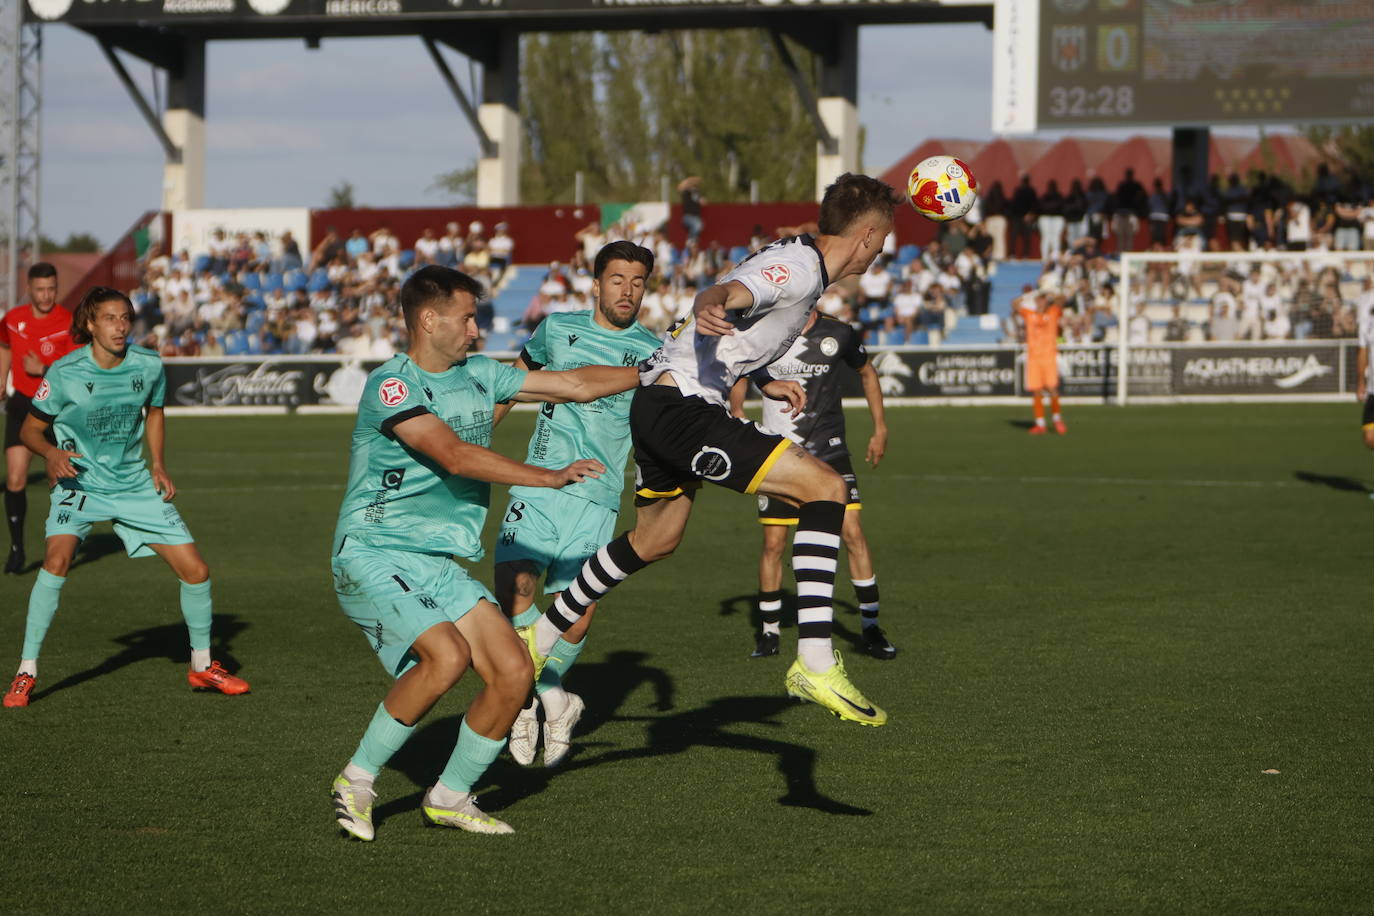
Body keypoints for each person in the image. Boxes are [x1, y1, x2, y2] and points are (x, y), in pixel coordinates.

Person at [520, 173, 898, 728]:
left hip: (662, 402)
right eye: (884, 238)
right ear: (866, 235)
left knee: (656, 538)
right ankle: (814, 662)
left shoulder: (801, 262)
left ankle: (539, 635)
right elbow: (729, 294)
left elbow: (743, 319)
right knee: (827, 487)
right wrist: (709, 302)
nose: (883, 250)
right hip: (684, 411)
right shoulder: (798, 268)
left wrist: (763, 377)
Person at [327, 265, 639, 840]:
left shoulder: (480, 373)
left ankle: (449, 795)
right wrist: (546, 478)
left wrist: (650, 368)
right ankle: (357, 779)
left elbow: (575, 384)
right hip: (375, 550)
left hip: (438, 563)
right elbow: (452, 455)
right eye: (467, 317)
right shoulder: (392, 385)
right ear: (429, 319)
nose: (476, 330)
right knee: (445, 657)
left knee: (515, 670)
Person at [3, 287, 249, 709]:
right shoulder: (64, 372)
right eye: (110, 318)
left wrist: (158, 464)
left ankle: (203, 664)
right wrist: (51, 453)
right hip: (80, 484)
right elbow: (29, 430)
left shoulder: (148, 364)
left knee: (196, 571)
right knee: (56, 561)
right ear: (90, 325)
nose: (120, 326)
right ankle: (26, 672)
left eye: (125, 318)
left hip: (133, 484)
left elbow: (155, 412)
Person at [490, 241, 663, 768]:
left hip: (597, 496)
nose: (627, 291)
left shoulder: (654, 354)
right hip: (539, 482)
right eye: (616, 280)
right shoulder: (555, 330)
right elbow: (510, 384)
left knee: (577, 618)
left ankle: (540, 698)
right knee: (514, 591)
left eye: (636, 282)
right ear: (595, 283)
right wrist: (475, 444)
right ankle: (537, 703)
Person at [726, 306, 894, 662]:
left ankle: (871, 627)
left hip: (831, 454)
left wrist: (880, 428)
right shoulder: (768, 332)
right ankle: (770, 633)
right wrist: (737, 407)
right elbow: (740, 370)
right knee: (773, 544)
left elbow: (867, 372)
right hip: (779, 456)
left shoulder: (840, 333)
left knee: (853, 533)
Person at [0, 263, 77, 574]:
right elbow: (5, 347)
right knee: (15, 479)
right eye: (40, 289)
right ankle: (17, 550)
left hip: (56, 407)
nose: (47, 295)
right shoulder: (13, 319)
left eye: (52, 289)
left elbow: (74, 370)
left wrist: (42, 370)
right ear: (29, 289)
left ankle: (58, 551)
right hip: (21, 404)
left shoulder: (69, 322)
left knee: (57, 480)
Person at [1017, 291, 1066, 435]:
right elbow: (1014, 304)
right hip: (1034, 358)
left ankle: (1057, 420)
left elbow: (1062, 299)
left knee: (1052, 389)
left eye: (1043, 300)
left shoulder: (1053, 312)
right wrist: (1031, 294)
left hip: (1049, 357)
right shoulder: (1029, 314)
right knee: (1036, 391)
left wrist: (1050, 293)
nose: (1040, 303)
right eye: (1038, 300)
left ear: (1047, 301)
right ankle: (1040, 424)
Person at [678, 176, 705, 245]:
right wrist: (691, 179)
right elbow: (680, 187)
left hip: (696, 217)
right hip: (688, 216)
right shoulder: (686, 192)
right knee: (698, 225)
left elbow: (702, 201)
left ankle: (693, 242)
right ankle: (690, 240)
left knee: (698, 226)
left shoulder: (696, 193)